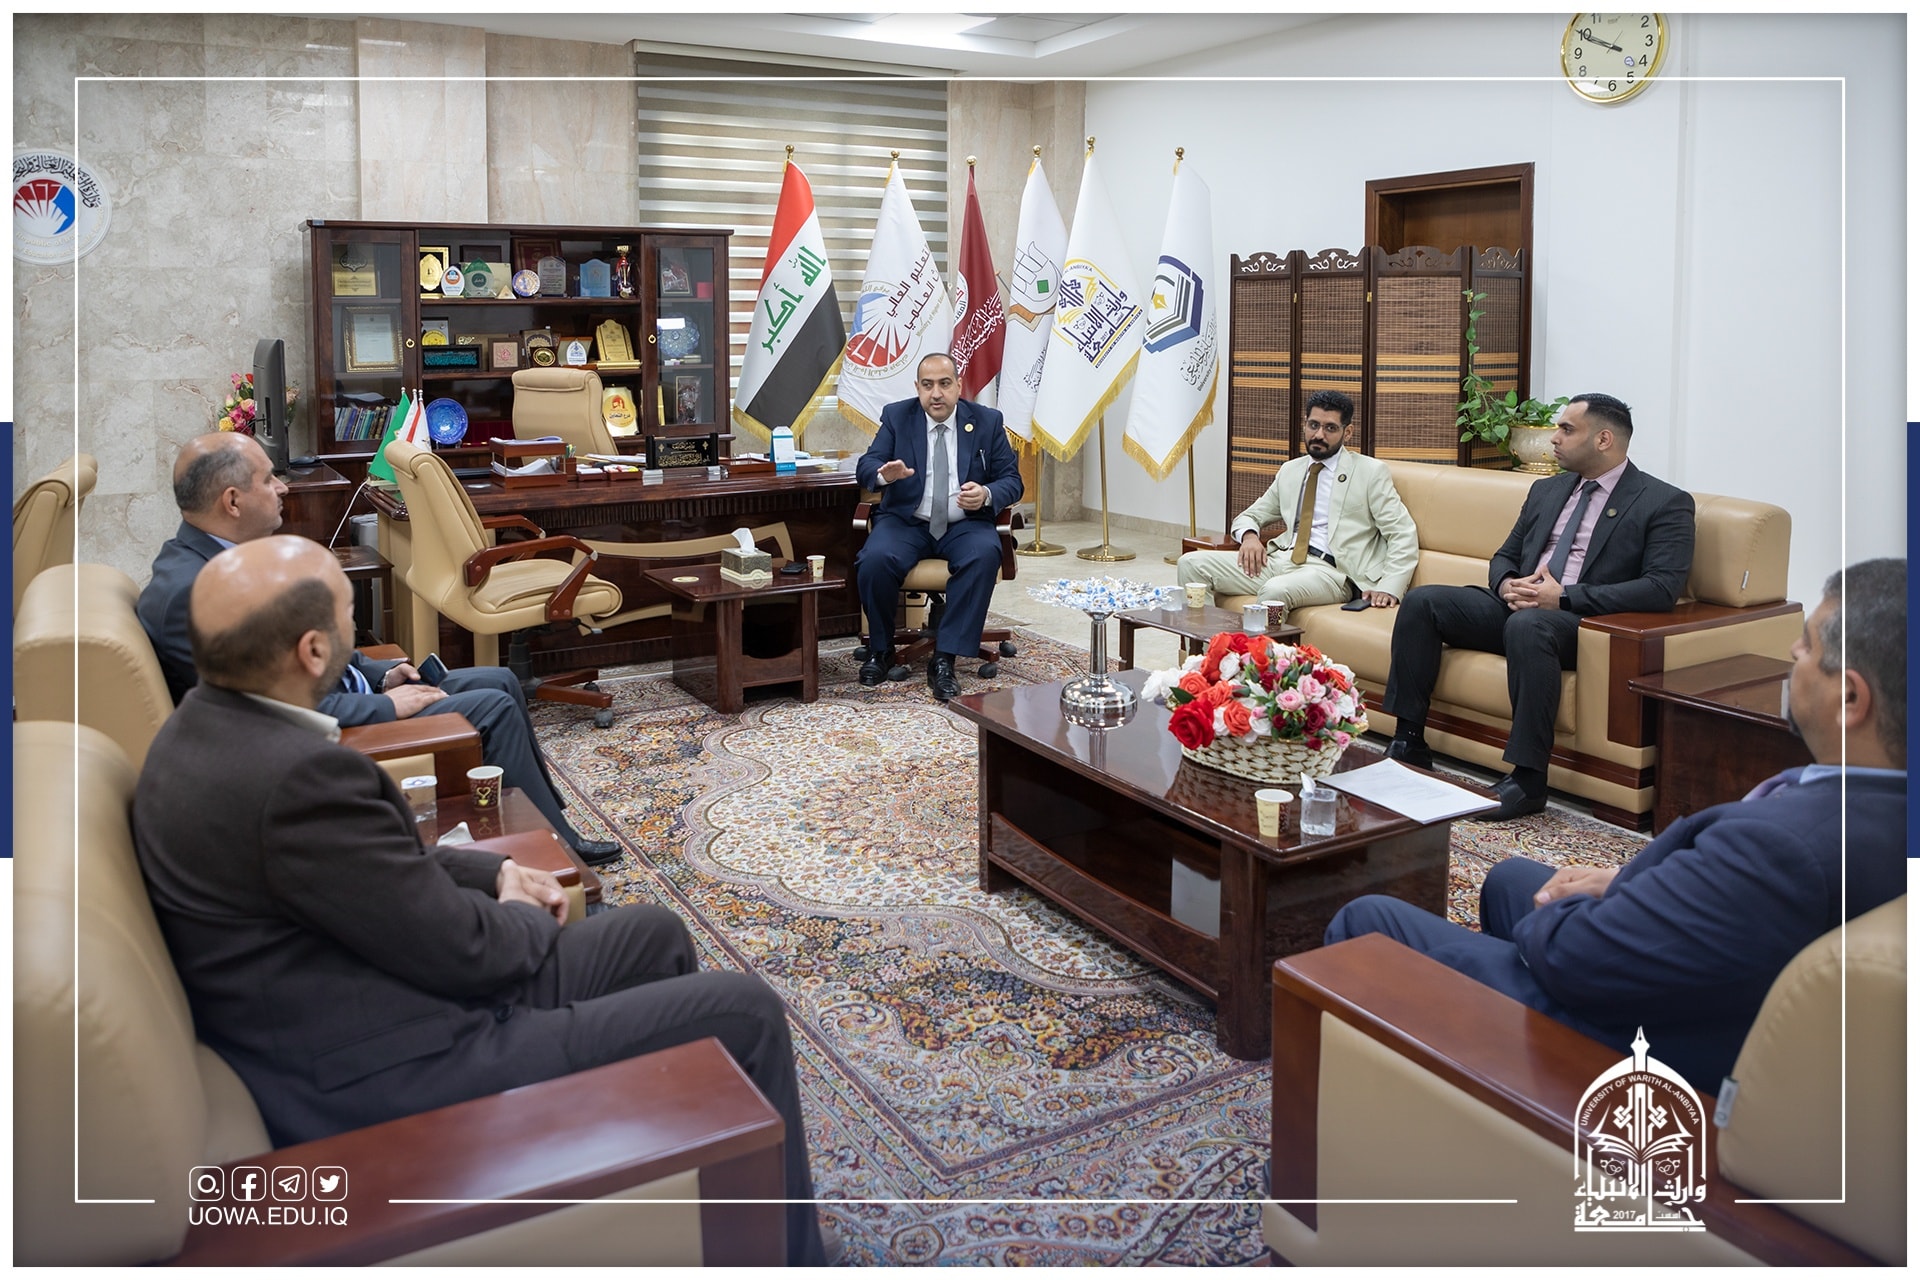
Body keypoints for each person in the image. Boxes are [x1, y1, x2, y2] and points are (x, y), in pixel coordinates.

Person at [130, 536, 828, 1265]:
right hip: (406, 1061)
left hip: (376, 992)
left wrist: (492, 875)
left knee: (651, 934)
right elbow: (470, 952)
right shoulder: (295, 779)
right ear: (312, 651)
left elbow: (367, 870)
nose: (355, 633)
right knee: (745, 1010)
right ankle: (790, 1258)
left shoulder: (201, 731)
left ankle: (687, 1181)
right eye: (345, 615)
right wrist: (524, 911)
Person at [1326, 559, 1907, 1094]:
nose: (1792, 652)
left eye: (1806, 647)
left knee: (1369, 918)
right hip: (1697, 976)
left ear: (1849, 697)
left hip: (1634, 1042)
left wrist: (1565, 913)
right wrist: (1624, 883)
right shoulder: (1874, 808)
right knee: (1508, 877)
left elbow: (1578, 954)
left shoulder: (1779, 847)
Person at [136, 433, 621, 864]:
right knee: (492, 706)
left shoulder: (214, 560)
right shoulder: (195, 594)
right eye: (268, 480)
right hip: (333, 728)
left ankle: (548, 825)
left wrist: (379, 673)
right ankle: (553, 848)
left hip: (350, 692)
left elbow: (299, 650)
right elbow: (268, 708)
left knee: (498, 680)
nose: (282, 487)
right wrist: (386, 705)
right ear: (233, 501)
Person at [1381, 393, 1695, 820]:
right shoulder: (1548, 490)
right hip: (1521, 606)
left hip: (1582, 622)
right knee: (1424, 602)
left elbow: (1660, 589)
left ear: (1603, 439)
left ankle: (1528, 781)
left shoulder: (1663, 501)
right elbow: (1505, 555)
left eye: (1566, 429)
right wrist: (1507, 583)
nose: (1554, 438)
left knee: (1529, 626)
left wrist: (1563, 597)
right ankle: (1408, 741)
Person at [855, 351, 1023, 701]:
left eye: (945, 384)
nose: (936, 394)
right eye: (928, 385)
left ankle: (944, 658)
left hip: (965, 523)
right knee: (874, 559)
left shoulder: (987, 421)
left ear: (959, 385)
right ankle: (881, 650)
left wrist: (987, 494)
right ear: (917, 388)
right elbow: (867, 466)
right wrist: (884, 475)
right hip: (908, 522)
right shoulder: (897, 417)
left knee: (983, 554)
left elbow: (1012, 481)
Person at [1175, 389, 1419, 611]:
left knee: (1275, 591)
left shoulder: (1369, 472)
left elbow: (1402, 532)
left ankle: (1261, 648)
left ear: (1348, 432)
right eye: (1313, 425)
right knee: (1191, 564)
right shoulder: (1291, 471)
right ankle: (1211, 644)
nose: (1319, 435)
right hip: (1281, 560)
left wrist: (1389, 587)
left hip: (1331, 572)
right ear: (1305, 424)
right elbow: (1250, 516)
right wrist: (1249, 537)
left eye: (1330, 428)